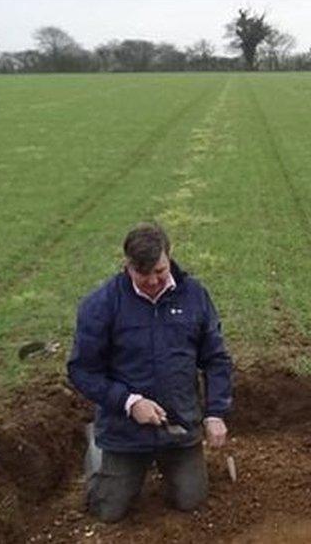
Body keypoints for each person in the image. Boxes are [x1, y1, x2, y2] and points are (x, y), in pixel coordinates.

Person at [67, 223, 233, 522]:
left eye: (160, 270)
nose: (154, 281)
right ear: (127, 266)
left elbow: (216, 358)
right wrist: (130, 403)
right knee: (108, 510)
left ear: (169, 257)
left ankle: (174, 467)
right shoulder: (101, 304)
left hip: (179, 424)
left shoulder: (194, 295)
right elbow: (82, 370)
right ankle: (97, 451)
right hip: (125, 430)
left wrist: (215, 412)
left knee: (190, 500)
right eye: (143, 275)